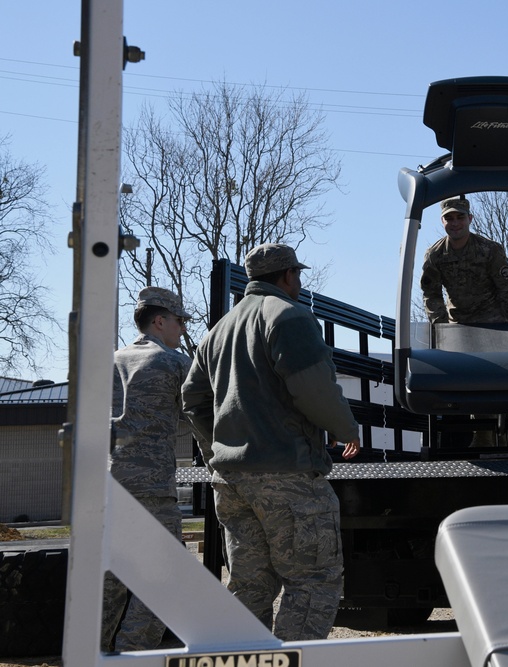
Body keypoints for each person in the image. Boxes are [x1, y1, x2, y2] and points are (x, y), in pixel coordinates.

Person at [181, 243, 361, 641]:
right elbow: (314, 388)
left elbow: (192, 399)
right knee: (313, 582)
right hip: (288, 477)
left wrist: (218, 450)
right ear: (287, 276)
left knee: (250, 587)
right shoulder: (290, 317)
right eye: (297, 274)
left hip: (231, 482)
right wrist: (346, 429)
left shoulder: (217, 332)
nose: (298, 282)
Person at [101, 287, 193, 652]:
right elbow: (208, 411)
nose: (183, 329)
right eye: (180, 321)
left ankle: (94, 653)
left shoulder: (111, 360)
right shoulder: (173, 362)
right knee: (165, 577)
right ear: (160, 321)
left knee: (111, 578)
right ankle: (133, 654)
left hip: (109, 483)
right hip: (153, 487)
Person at [420, 195, 508, 325]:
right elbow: (431, 294)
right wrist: (441, 328)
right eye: (449, 219)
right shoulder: (435, 255)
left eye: (460, 217)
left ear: (470, 219)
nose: (455, 223)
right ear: (442, 221)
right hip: (458, 326)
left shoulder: (490, 250)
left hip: (495, 323)